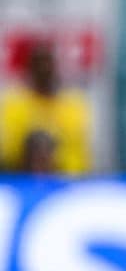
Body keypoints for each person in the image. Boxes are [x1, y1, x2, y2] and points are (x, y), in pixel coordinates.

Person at [0, 40, 92, 174]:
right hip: (23, 178)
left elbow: (78, 156)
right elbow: (10, 153)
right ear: (29, 69)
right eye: (38, 64)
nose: (43, 69)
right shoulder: (14, 106)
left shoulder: (72, 106)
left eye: (47, 64)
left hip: (65, 180)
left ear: (55, 68)